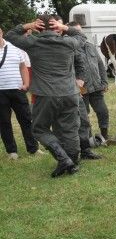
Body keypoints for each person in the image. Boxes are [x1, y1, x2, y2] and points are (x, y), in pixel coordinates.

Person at [6, 15, 86, 177]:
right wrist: (65, 28)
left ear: (38, 27)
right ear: (56, 27)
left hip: (46, 94)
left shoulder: (33, 42)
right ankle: (73, 161)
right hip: (70, 93)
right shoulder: (68, 42)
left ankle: (64, 159)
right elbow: (81, 37)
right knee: (69, 128)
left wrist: (27, 25)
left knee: (39, 129)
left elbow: (10, 36)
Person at [0, 25, 42, 159]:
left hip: (18, 90)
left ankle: (33, 149)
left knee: (26, 120)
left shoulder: (15, 48)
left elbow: (23, 67)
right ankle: (12, 152)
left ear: (1, 32)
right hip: (0, 92)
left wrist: (26, 84)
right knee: (4, 122)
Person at [67, 21, 110, 149]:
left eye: (80, 31)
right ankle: (89, 140)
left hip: (97, 87)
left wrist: (104, 81)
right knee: (83, 116)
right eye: (75, 31)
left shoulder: (91, 46)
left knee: (103, 112)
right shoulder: (69, 48)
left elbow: (100, 65)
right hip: (81, 90)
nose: (79, 33)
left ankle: (104, 137)